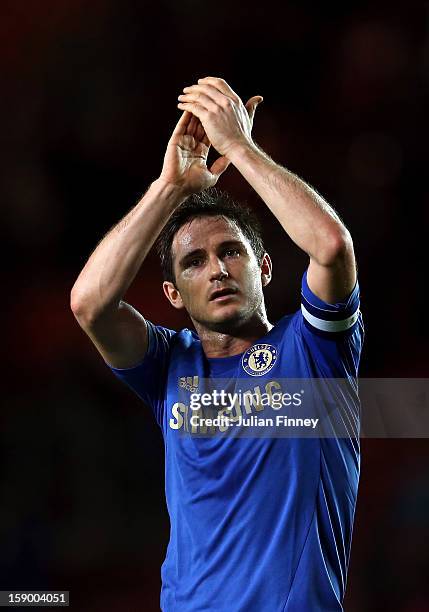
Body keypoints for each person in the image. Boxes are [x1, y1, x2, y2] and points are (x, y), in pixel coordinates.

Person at [71, 76, 364, 611]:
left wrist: (240, 148)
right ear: (174, 293)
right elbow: (90, 304)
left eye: (232, 252)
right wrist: (172, 189)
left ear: (265, 268)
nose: (217, 271)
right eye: (194, 262)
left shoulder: (316, 353)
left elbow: (330, 246)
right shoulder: (167, 366)